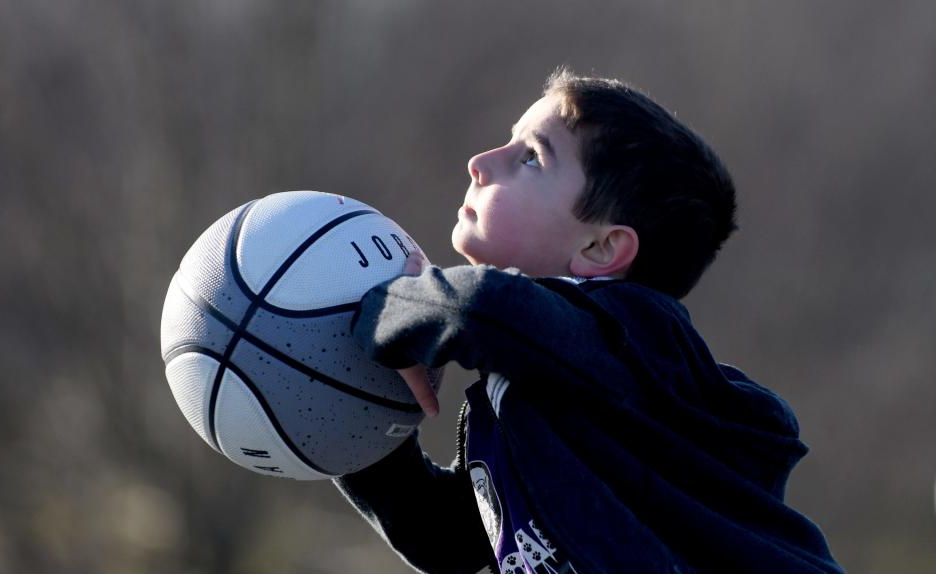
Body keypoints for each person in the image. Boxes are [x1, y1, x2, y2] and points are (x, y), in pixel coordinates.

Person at [332, 68, 843, 574]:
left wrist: (385, 306)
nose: (479, 162)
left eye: (530, 158)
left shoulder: (634, 337)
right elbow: (447, 539)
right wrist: (354, 419)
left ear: (601, 248)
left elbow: (482, 308)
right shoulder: (538, 385)